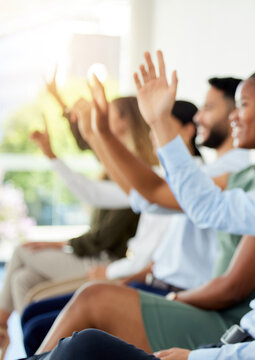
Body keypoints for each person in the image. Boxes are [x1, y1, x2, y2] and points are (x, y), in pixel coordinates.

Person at [29, 49, 255, 360]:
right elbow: (206, 207)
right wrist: (159, 121)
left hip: (232, 349)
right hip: (229, 342)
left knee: (84, 345)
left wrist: (196, 357)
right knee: (76, 344)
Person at [36, 62, 255, 355]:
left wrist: (173, 298)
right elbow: (154, 193)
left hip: (228, 322)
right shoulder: (245, 175)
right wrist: (131, 126)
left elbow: (233, 287)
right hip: (204, 304)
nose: (233, 117)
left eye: (243, 105)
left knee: (93, 300)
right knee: (84, 307)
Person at [0, 95, 157, 356]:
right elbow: (87, 146)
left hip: (108, 261)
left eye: (111, 114)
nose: (104, 120)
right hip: (106, 260)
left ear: (129, 120)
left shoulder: (142, 175)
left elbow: (103, 234)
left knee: (22, 254)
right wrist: (62, 106)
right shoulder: (117, 167)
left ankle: (3, 328)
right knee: (22, 279)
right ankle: (35, 353)